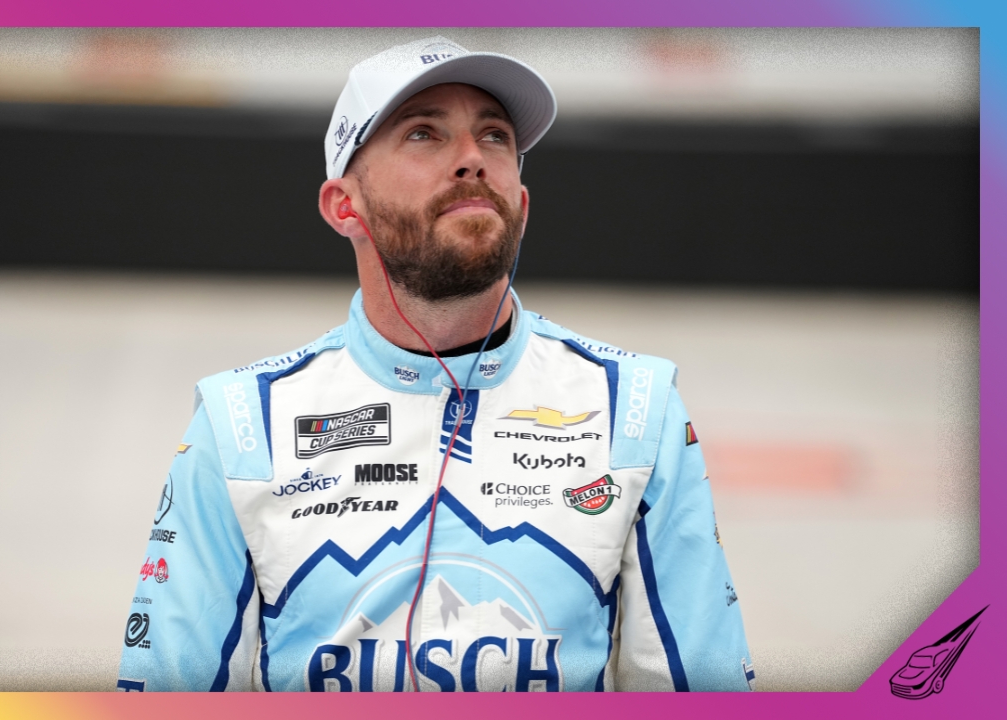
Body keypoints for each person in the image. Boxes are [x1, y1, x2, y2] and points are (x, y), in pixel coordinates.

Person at [117, 36, 753, 693]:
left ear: (521, 206)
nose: (472, 160)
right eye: (425, 133)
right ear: (345, 207)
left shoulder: (637, 409)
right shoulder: (240, 425)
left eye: (496, 137)